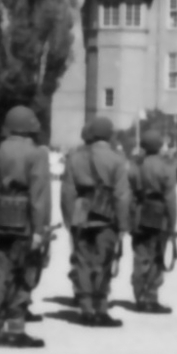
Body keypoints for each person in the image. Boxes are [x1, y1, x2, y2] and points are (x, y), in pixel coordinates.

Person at [0, 105, 51, 347]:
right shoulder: (37, 154)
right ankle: (15, 330)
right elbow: (39, 195)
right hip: (25, 222)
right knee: (23, 275)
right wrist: (40, 231)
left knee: (0, 273)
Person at [61, 117, 130, 327]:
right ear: (109, 135)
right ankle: (101, 308)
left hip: (81, 210)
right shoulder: (116, 159)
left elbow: (67, 192)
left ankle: (85, 308)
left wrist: (69, 219)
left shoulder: (74, 157)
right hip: (106, 212)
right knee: (104, 260)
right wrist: (123, 225)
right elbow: (122, 196)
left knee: (82, 259)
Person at [129, 129, 177, 314]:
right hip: (159, 215)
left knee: (140, 256)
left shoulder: (134, 165)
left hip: (139, 213)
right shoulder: (166, 166)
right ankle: (151, 297)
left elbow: (127, 193)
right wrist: (173, 223)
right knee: (157, 257)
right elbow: (171, 198)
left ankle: (139, 296)